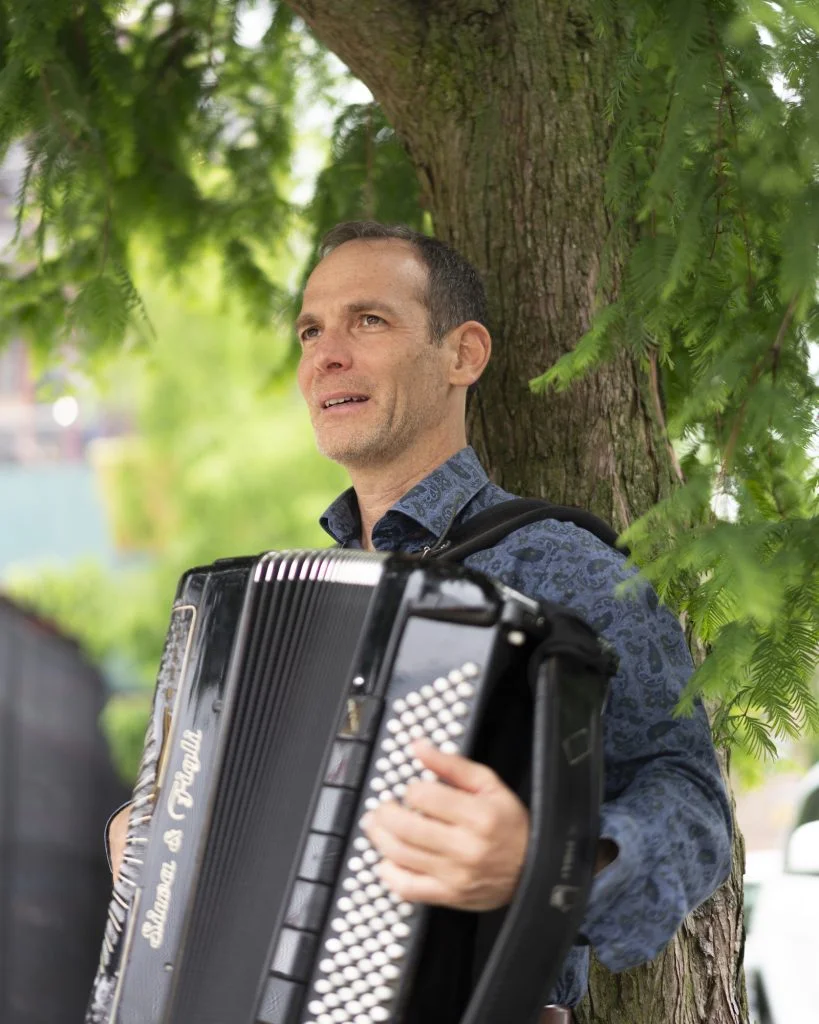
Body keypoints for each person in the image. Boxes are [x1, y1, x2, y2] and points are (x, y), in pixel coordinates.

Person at [108, 221, 732, 1021]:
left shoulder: (560, 566)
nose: (325, 354)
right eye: (310, 330)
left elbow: (690, 805)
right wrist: (148, 843)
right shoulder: (275, 609)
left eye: (368, 320)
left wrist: (542, 867)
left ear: (462, 355)